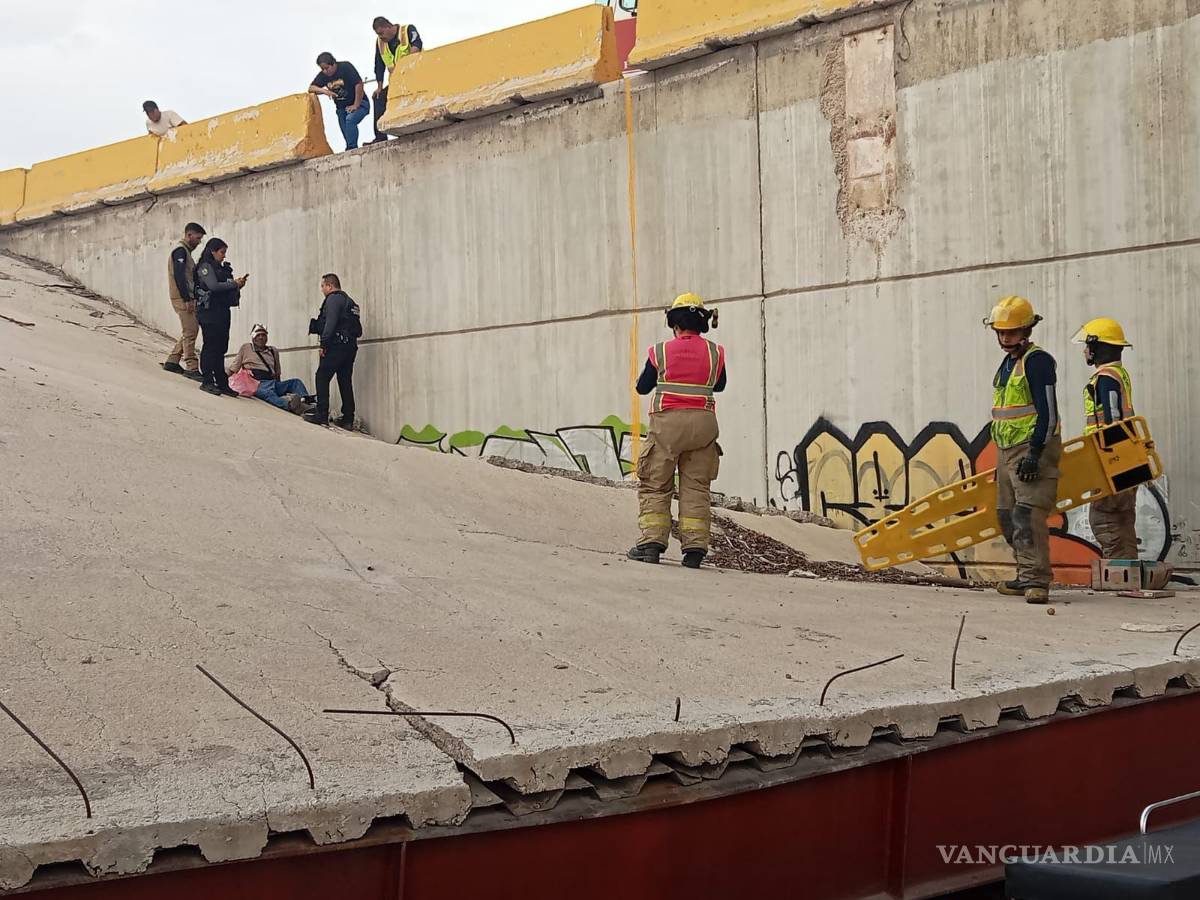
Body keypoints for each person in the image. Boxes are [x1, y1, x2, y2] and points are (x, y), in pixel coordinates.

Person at [627, 294, 727, 570]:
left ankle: (651, 545)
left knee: (655, 482)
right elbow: (720, 386)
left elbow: (642, 388)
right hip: (704, 426)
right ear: (703, 322)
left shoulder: (660, 352)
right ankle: (694, 549)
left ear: (674, 323)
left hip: (667, 426)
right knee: (696, 486)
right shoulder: (715, 352)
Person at [985, 295, 1062, 605]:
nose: (1006, 338)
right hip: (1006, 449)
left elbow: (1049, 412)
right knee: (1006, 515)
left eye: (1012, 332)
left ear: (1027, 330)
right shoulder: (1008, 363)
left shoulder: (1038, 361)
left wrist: (1035, 452)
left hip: (1031, 447)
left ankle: (1035, 581)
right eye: (1001, 333)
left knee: (1026, 514)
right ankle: (1026, 572)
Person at [1073, 317, 1139, 559]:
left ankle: (1118, 572)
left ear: (1097, 347)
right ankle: (1127, 572)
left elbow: (1111, 419)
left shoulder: (1106, 378)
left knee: (1105, 518)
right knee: (1123, 519)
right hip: (1127, 455)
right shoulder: (1119, 374)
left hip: (1112, 457)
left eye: (1087, 346)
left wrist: (1107, 458)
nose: (1084, 351)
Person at [305, 274, 362, 428]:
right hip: (350, 347)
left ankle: (321, 414)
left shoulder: (333, 299)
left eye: (323, 286)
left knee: (322, 376)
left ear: (329, 286)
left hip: (336, 345)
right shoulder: (350, 302)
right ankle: (348, 418)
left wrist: (324, 344)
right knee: (345, 380)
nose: (322, 290)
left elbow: (330, 322)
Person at [194, 238, 248, 397]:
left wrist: (237, 285)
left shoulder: (221, 268)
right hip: (209, 312)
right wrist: (234, 284)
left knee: (220, 347)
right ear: (213, 251)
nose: (224, 256)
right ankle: (207, 380)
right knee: (210, 346)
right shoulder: (205, 267)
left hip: (222, 311)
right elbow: (213, 286)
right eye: (222, 252)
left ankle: (221, 382)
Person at [227, 324, 314, 414]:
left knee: (295, 382)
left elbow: (277, 372)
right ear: (253, 337)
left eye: (263, 335)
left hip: (272, 382)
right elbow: (233, 368)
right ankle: (289, 405)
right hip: (256, 383)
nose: (261, 338)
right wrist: (222, 381)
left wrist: (279, 386)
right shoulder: (246, 348)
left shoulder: (273, 350)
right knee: (268, 394)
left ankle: (306, 402)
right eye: (258, 335)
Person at [162, 222, 206, 379]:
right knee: (191, 331)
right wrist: (187, 298)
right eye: (197, 238)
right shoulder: (180, 251)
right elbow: (179, 276)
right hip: (182, 298)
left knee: (189, 330)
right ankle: (191, 366)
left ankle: (173, 360)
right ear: (189, 235)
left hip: (186, 297)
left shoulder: (185, 252)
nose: (199, 242)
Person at [370, 17, 423, 143]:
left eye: (382, 33)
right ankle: (380, 137)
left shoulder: (407, 30)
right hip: (397, 82)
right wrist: (379, 86)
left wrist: (407, 63)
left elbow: (417, 45)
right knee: (378, 97)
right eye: (378, 34)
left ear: (389, 26)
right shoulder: (380, 43)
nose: (381, 37)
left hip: (416, 78)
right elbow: (379, 64)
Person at [309, 52, 369, 150]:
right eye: (322, 69)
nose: (325, 71)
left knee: (350, 120)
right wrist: (325, 91)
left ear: (333, 64)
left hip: (360, 103)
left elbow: (359, 83)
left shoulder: (345, 67)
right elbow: (311, 88)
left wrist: (356, 105)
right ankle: (351, 147)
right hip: (342, 108)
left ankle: (351, 148)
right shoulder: (323, 75)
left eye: (327, 68)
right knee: (345, 128)